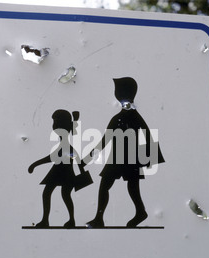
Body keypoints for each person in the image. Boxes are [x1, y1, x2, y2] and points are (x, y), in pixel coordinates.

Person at [85, 77, 165, 228]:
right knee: (111, 186)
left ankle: (139, 212)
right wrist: (91, 155)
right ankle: (100, 218)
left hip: (129, 157)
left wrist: (151, 156)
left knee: (130, 188)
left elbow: (147, 134)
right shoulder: (119, 118)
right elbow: (106, 138)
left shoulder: (131, 117)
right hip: (117, 157)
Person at [28, 109, 86, 228]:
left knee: (57, 194)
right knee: (56, 194)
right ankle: (51, 220)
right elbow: (76, 158)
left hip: (62, 173)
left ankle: (64, 220)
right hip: (59, 172)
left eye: (55, 122)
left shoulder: (65, 146)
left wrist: (35, 164)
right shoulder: (65, 145)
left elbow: (52, 158)